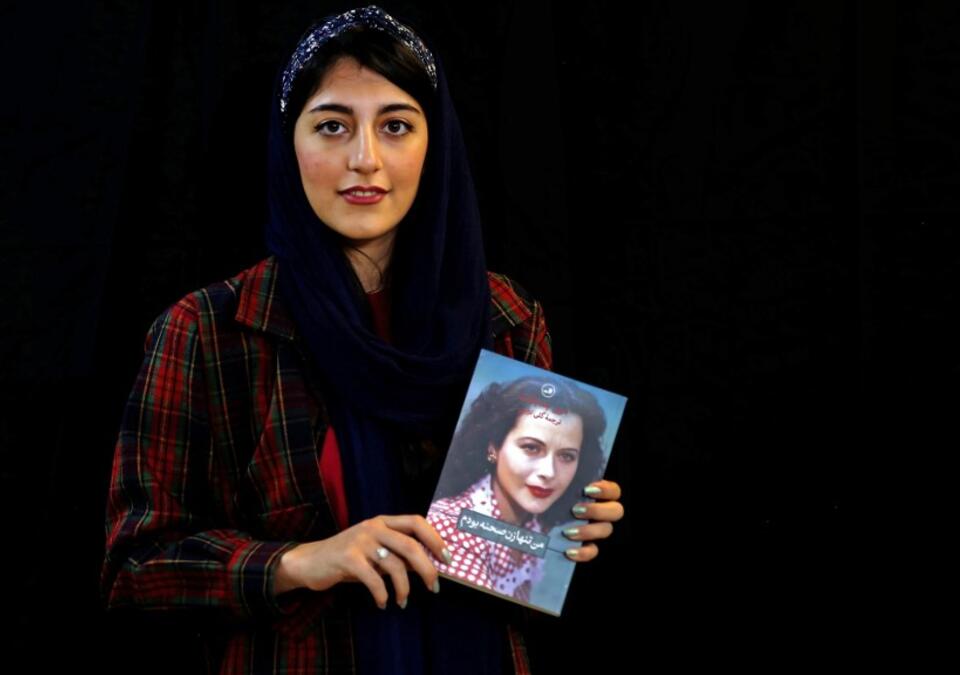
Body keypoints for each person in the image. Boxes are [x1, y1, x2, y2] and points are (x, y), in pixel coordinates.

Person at [101, 6, 624, 674]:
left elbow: (513, 571)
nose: (365, 159)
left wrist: (560, 526)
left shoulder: (507, 317)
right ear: (289, 144)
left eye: (396, 126)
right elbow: (133, 567)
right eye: (332, 126)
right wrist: (299, 561)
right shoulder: (208, 328)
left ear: (435, 145)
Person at [426, 376, 608, 604]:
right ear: (493, 447)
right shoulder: (450, 528)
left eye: (566, 456)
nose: (549, 472)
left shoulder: (533, 523)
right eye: (531, 448)